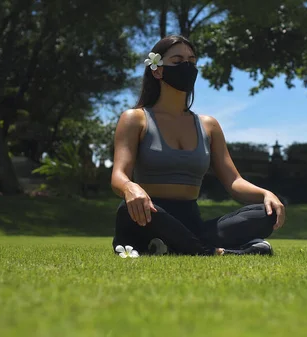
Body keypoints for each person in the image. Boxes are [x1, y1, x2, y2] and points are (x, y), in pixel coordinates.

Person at [110, 35, 286, 257]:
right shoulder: (135, 119)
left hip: (191, 222)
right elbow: (118, 175)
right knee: (129, 209)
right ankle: (216, 252)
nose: (186, 66)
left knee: (267, 213)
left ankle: (173, 247)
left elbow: (234, 182)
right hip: (148, 216)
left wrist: (266, 194)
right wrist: (129, 188)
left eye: (191, 62)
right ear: (157, 70)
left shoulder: (209, 125)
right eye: (177, 61)